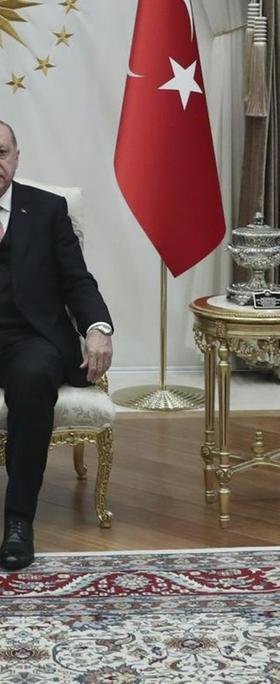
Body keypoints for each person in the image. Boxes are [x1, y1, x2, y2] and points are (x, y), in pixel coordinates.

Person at [0, 121, 113, 571]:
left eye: (1, 152)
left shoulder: (47, 209)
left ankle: (18, 521)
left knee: (32, 379)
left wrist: (98, 327)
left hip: (33, 339)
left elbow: (77, 280)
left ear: (16, 157)